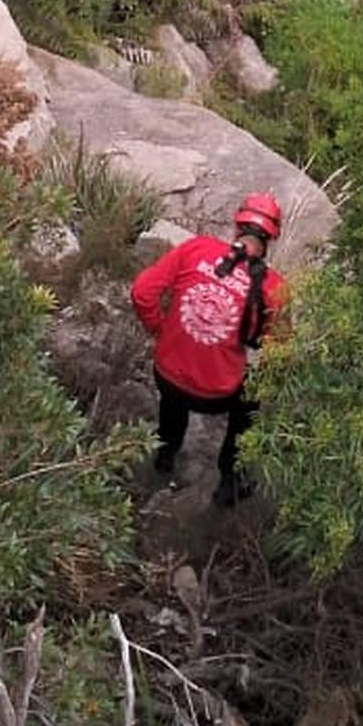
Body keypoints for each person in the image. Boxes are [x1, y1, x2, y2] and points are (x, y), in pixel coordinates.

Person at [130, 194, 288, 508]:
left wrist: (161, 332)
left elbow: (142, 293)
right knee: (250, 400)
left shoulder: (196, 248)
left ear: (236, 226)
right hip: (217, 395)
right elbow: (279, 353)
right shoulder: (273, 288)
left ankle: (165, 457)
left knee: (172, 404)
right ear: (271, 238)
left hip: (167, 374)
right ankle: (230, 477)